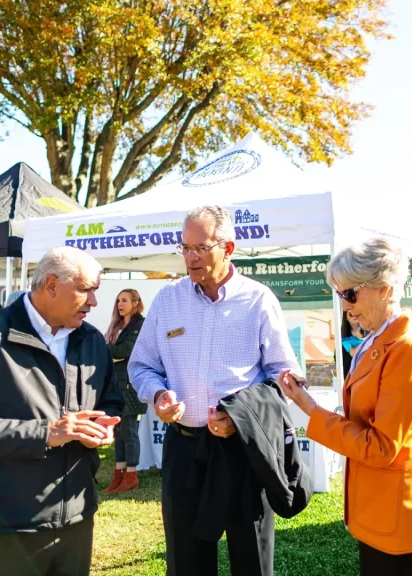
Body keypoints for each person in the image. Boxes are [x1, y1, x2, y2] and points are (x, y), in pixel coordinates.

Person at [0, 246, 124, 576]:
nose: (94, 302)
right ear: (50, 285)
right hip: (4, 526)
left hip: (76, 520)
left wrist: (102, 426)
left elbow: (110, 401)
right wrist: (46, 433)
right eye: (86, 289)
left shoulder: (91, 341)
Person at [129, 204, 300, 576]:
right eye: (185, 248)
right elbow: (141, 365)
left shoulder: (257, 299)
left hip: (242, 451)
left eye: (201, 248)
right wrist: (158, 394)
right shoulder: (167, 300)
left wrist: (240, 418)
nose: (191, 257)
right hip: (184, 447)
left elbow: (284, 375)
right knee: (186, 560)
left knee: (250, 556)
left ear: (229, 248)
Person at [279, 237, 412, 576]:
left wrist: (311, 409)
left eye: (349, 293)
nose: (345, 305)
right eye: (339, 294)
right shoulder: (375, 338)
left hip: (397, 511)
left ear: (384, 288)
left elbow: (381, 447)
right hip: (378, 507)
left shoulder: (404, 349)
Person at [102, 289, 146, 493]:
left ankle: (131, 475)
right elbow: (116, 354)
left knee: (129, 431)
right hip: (117, 385)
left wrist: (102, 348)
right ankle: (118, 473)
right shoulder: (118, 326)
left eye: (125, 300)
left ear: (136, 303)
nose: (120, 304)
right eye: (118, 300)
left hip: (130, 386)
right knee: (118, 431)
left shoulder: (139, 325)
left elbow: (123, 351)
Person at [340, 311, 364, 377]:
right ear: (346, 318)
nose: (354, 315)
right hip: (351, 375)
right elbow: (339, 359)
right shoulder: (341, 335)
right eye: (350, 314)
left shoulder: (368, 330)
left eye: (356, 312)